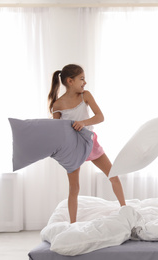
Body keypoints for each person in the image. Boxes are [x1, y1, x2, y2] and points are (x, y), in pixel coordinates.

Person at [48, 64, 126, 223]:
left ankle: (125, 209)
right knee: (74, 188)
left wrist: (82, 122)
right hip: (72, 148)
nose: (85, 82)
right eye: (81, 79)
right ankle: (73, 223)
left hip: (90, 142)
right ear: (70, 81)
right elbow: (56, 131)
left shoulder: (85, 96)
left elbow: (100, 117)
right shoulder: (58, 105)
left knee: (113, 175)